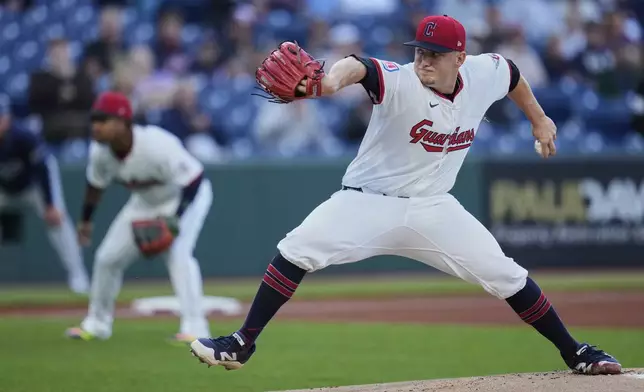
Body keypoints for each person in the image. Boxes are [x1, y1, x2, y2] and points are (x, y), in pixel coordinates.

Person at [189, 15, 622, 375]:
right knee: (297, 248)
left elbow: (513, 75)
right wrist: (326, 84)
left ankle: (575, 352)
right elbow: (358, 66)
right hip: (367, 201)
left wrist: (540, 119)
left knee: (505, 274)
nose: (424, 60)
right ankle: (241, 342)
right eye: (419, 51)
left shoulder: (484, 72)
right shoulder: (400, 80)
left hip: (435, 207)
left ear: (459, 58)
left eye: (434, 54)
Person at [65, 92, 212, 344]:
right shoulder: (100, 152)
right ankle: (97, 324)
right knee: (107, 258)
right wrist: (86, 220)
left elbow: (194, 179)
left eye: (103, 120)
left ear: (123, 122)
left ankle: (195, 327)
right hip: (143, 201)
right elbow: (95, 185)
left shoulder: (156, 144)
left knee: (178, 255)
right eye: (94, 120)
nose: (96, 126)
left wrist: (175, 218)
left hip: (184, 198)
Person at [0, 94, 89, 294]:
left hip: (34, 186)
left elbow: (43, 169)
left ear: (7, 118)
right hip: (4, 189)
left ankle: (78, 275)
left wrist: (50, 204)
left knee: (58, 221)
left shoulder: (23, 136)